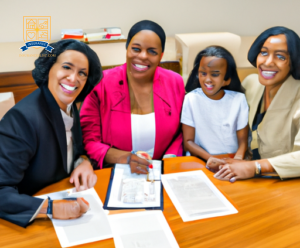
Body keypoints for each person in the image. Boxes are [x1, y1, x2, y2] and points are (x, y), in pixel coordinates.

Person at [0, 39, 102, 227]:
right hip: (26, 221)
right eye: (66, 67)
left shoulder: (69, 106)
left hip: (66, 203)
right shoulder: (22, 119)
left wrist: (84, 162)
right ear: (49, 68)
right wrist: (51, 208)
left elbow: (75, 150)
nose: (73, 78)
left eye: (82, 73)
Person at [80, 20, 185, 174]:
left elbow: (183, 130)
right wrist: (125, 158)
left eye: (152, 51)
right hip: (115, 172)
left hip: (164, 172)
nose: (143, 56)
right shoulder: (101, 83)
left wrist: (170, 158)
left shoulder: (175, 82)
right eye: (136, 49)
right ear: (126, 48)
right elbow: (89, 140)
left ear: (161, 55)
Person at [207, 26, 300, 181]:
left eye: (280, 57)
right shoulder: (251, 84)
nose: (268, 62)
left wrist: (255, 167)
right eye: (263, 53)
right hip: (256, 178)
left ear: (294, 61)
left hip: (288, 184)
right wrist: (234, 161)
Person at [182, 46, 249, 161]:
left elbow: (243, 142)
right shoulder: (191, 99)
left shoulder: (239, 99)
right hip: (200, 159)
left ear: (227, 80)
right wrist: (210, 159)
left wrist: (237, 160)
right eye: (203, 73)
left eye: (215, 74)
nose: (207, 79)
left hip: (232, 159)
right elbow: (188, 142)